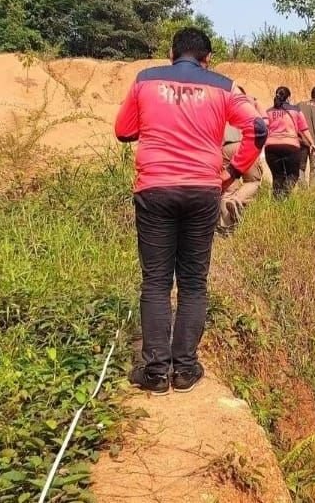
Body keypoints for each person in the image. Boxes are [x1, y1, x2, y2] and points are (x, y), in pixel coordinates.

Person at [114, 27, 267, 395]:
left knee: (155, 281)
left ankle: (154, 373)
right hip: (203, 189)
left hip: (155, 188)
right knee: (194, 281)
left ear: (171, 52)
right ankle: (184, 370)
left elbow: (123, 131)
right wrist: (231, 173)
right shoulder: (225, 87)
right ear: (207, 57)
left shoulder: (145, 80)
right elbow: (259, 127)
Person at [265, 86, 315, 199]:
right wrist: (312, 143)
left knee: (277, 176)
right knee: (293, 174)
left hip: (271, 146)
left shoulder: (269, 111)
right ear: (288, 98)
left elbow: (264, 129)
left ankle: (277, 202)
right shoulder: (295, 110)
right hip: (290, 145)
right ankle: (284, 195)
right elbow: (304, 129)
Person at [218, 123, 264, 235]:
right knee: (253, 181)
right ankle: (237, 199)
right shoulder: (239, 108)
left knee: (228, 190)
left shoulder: (215, 108)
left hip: (224, 147)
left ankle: (226, 230)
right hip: (243, 144)